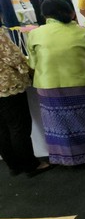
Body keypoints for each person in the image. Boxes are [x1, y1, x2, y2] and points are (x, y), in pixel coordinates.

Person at [27, 0, 85, 166]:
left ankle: (65, 157)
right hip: (83, 85)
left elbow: (33, 64)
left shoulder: (35, 34)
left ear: (44, 15)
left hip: (49, 86)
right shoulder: (83, 33)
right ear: (71, 13)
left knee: (59, 125)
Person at [0, 32, 52, 177]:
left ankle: (13, 165)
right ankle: (30, 165)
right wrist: (27, 69)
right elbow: (13, 57)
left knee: (2, 129)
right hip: (7, 86)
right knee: (18, 126)